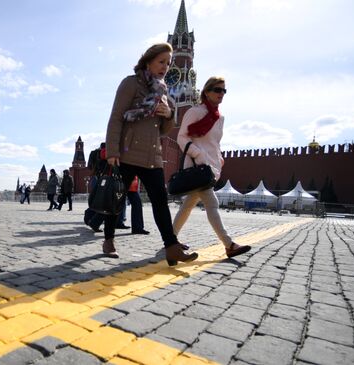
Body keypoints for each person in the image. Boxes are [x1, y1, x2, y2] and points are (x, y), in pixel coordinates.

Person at [104, 42, 197, 266]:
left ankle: (171, 247)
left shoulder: (163, 91)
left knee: (160, 202)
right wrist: (112, 151)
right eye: (161, 62)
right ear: (148, 61)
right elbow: (116, 117)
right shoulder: (131, 84)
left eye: (169, 63)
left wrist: (168, 116)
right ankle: (108, 239)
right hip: (127, 153)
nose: (165, 67)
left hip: (152, 156)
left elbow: (164, 131)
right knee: (117, 199)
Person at [172, 76, 251, 258]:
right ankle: (229, 244)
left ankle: (171, 239)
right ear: (206, 92)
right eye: (217, 89)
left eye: (224, 90)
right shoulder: (195, 112)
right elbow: (181, 138)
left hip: (211, 167)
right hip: (197, 167)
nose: (221, 94)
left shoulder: (220, 118)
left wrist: (220, 158)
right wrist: (198, 155)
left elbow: (215, 142)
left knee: (188, 205)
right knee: (212, 203)